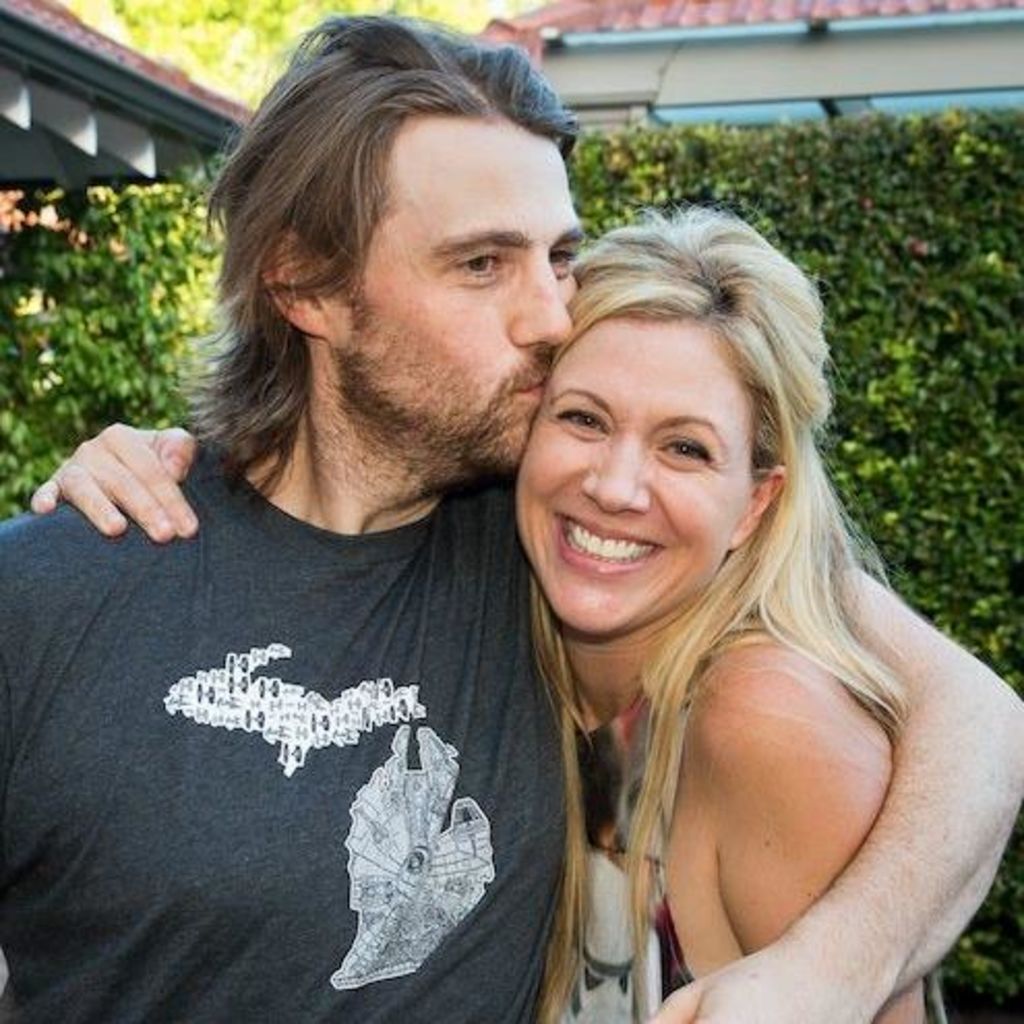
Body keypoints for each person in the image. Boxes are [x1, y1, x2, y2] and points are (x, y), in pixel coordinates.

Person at [14, 14, 1024, 1024]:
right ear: (304, 282)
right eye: (483, 264)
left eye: (559, 254)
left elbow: (977, 716)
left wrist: (835, 964)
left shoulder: (570, 538)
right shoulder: (55, 591)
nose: (550, 316)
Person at [516, 208, 935, 1022]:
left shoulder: (766, 719)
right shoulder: (498, 639)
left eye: (685, 448)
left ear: (755, 505)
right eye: (583, 419)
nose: (615, 486)